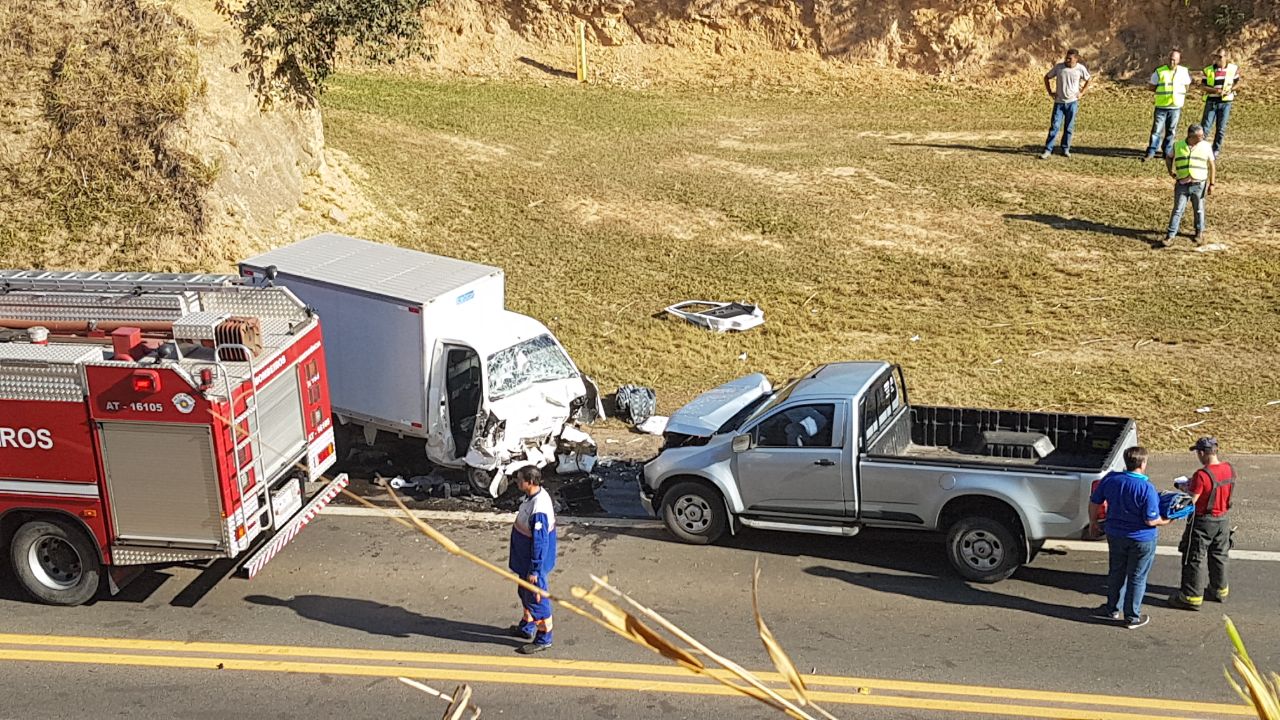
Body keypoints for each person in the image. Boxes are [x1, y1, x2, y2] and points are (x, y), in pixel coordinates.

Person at [1088, 446, 1171, 629]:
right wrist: (1167, 521)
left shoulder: (1111, 479)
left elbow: (1095, 501)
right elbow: (1151, 520)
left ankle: (1112, 608)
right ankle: (1132, 616)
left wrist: (1093, 522)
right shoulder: (1146, 488)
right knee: (1137, 576)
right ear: (1143, 463)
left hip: (1115, 534)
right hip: (1141, 539)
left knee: (1116, 571)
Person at [1168, 437, 1235, 610]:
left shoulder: (1202, 475)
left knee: (1194, 557)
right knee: (1219, 555)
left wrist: (1184, 490)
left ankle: (1191, 597)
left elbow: (1192, 501)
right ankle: (1219, 590)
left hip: (1203, 521)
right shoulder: (1229, 469)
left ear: (1202, 453)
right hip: (1223, 520)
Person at [507, 466, 558, 653]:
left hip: (533, 564)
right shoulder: (532, 497)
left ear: (530, 482)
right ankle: (527, 625)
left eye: (520, 479)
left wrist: (535, 570)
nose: (517, 482)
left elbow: (540, 542)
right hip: (524, 561)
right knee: (525, 592)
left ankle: (544, 637)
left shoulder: (539, 509)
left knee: (537, 597)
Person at [1160, 124, 1216, 247]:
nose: (1203, 137)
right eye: (1200, 136)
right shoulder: (1178, 145)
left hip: (1199, 183)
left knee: (1199, 209)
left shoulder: (1206, 146)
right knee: (1178, 210)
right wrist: (1170, 171)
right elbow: (1169, 157)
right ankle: (1170, 236)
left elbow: (1212, 165)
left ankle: (1199, 232)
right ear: (1191, 136)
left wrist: (1212, 183)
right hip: (1182, 184)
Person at [1040, 49, 1092, 159]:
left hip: (1072, 103)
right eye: (1066, 58)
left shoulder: (1080, 69)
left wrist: (1082, 93)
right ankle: (1048, 149)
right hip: (1059, 103)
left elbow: (1088, 79)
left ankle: (1065, 149)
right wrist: (1050, 92)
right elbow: (1047, 77)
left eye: (1070, 58)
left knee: (1069, 127)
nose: (1067, 60)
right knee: (1055, 126)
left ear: (1076, 59)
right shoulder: (1059, 67)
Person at [1144, 49, 1193, 162]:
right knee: (1157, 130)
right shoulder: (1159, 71)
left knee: (1171, 130)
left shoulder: (1184, 71)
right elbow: (1152, 86)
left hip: (1175, 106)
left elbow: (1187, 86)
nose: (1172, 62)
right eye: (1170, 59)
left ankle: (1167, 151)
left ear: (1179, 60)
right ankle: (1151, 151)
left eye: (1175, 60)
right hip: (1162, 106)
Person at [1200, 49, 1241, 158]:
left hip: (1226, 102)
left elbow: (1238, 83)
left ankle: (1216, 149)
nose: (1217, 59)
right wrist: (1214, 91)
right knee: (1205, 127)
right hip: (1212, 101)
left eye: (1220, 57)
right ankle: (1200, 148)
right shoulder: (1208, 70)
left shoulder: (1233, 69)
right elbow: (1202, 86)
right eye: (1216, 57)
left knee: (1221, 128)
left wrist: (1231, 89)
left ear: (1226, 57)